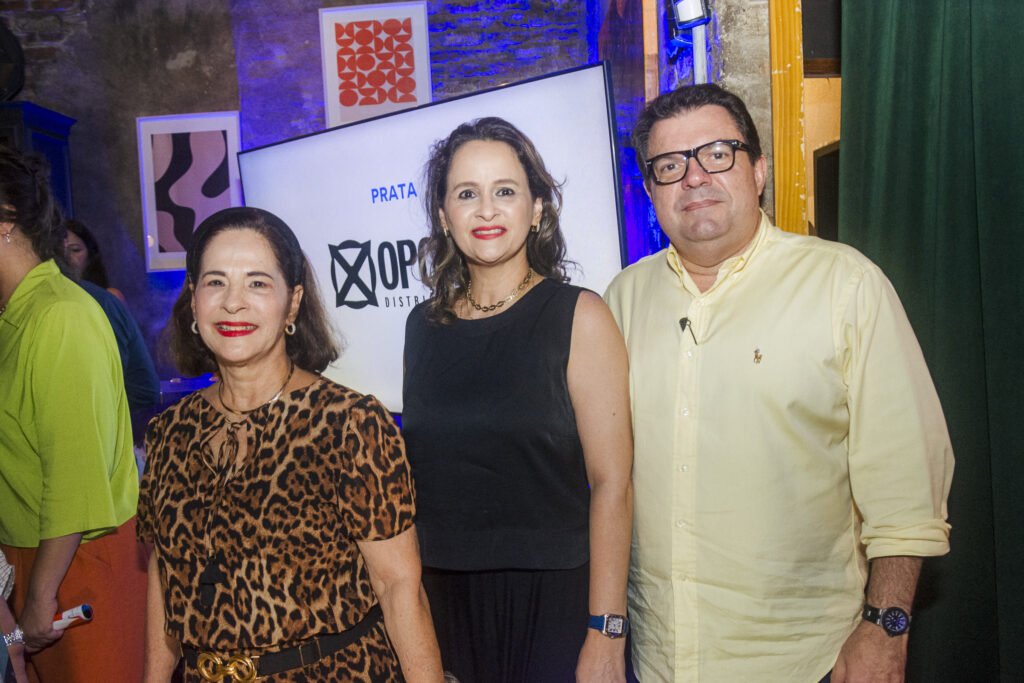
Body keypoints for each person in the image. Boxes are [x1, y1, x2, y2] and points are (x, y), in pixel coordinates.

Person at [603, 83, 955, 682]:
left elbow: (907, 487)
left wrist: (887, 628)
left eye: (717, 153)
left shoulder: (845, 286)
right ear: (650, 191)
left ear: (758, 170)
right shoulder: (621, 301)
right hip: (657, 662)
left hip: (808, 662)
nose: (694, 177)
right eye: (669, 165)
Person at [138, 206, 444, 682]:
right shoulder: (169, 433)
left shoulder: (350, 424)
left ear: (293, 303)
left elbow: (399, 587)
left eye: (258, 283)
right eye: (215, 282)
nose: (233, 302)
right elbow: (165, 582)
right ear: (193, 300)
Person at [402, 117, 634, 682]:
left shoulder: (580, 315)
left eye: (505, 191)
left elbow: (614, 484)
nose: (486, 210)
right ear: (442, 215)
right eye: (466, 194)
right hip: (444, 600)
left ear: (536, 209)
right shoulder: (422, 325)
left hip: (552, 600)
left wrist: (607, 633)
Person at [0, 144, 148, 681]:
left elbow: (72, 476)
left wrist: (40, 595)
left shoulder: (59, 315)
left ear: (5, 221)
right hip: (32, 558)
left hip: (77, 561)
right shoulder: (17, 314)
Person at [61, 219, 161, 443]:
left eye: (75, 250)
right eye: (59, 250)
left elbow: (109, 375)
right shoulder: (67, 300)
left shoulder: (103, 299)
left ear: (91, 255)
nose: (66, 257)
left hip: (128, 416)